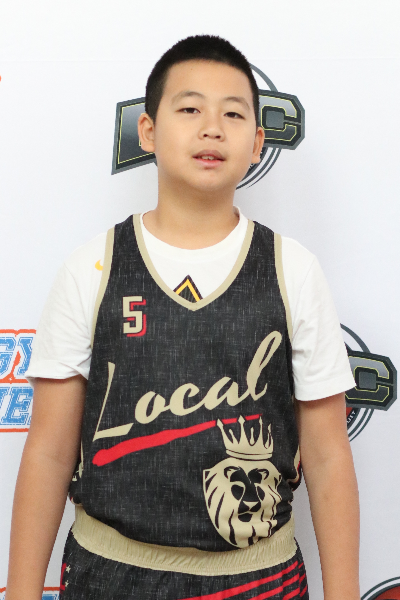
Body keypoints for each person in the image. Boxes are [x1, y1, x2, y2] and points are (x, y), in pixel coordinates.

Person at [6, 35, 360, 600]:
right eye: (190, 108)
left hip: (259, 580)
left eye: (233, 114)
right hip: (109, 575)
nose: (212, 128)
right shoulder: (93, 269)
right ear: (148, 130)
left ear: (257, 142)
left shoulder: (292, 270)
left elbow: (327, 454)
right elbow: (49, 450)